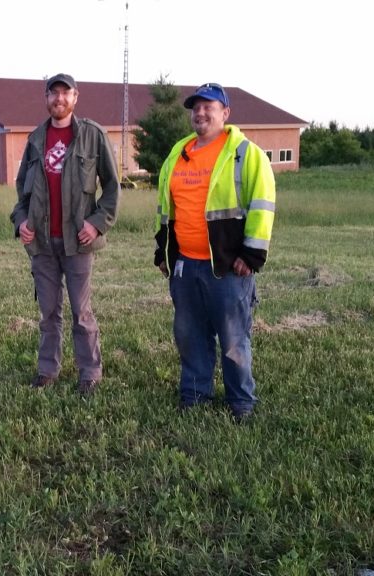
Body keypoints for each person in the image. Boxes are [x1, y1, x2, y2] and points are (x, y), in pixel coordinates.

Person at [153, 83, 276, 422]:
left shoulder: (245, 153)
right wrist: (163, 251)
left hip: (228, 267)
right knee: (190, 336)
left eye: (209, 106)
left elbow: (263, 205)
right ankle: (194, 395)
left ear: (225, 113)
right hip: (185, 265)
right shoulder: (178, 153)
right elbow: (165, 208)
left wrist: (252, 255)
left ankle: (241, 402)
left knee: (234, 340)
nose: (201, 112)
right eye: (196, 107)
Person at [10, 73, 120, 395]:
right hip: (42, 243)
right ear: (46, 98)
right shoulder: (35, 139)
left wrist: (96, 223)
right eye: (53, 92)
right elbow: (22, 191)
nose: (59, 98)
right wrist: (21, 221)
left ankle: (90, 373)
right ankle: (48, 370)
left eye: (65, 93)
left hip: (78, 243)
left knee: (81, 312)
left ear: (75, 97)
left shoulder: (92, 135)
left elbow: (112, 188)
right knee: (48, 313)